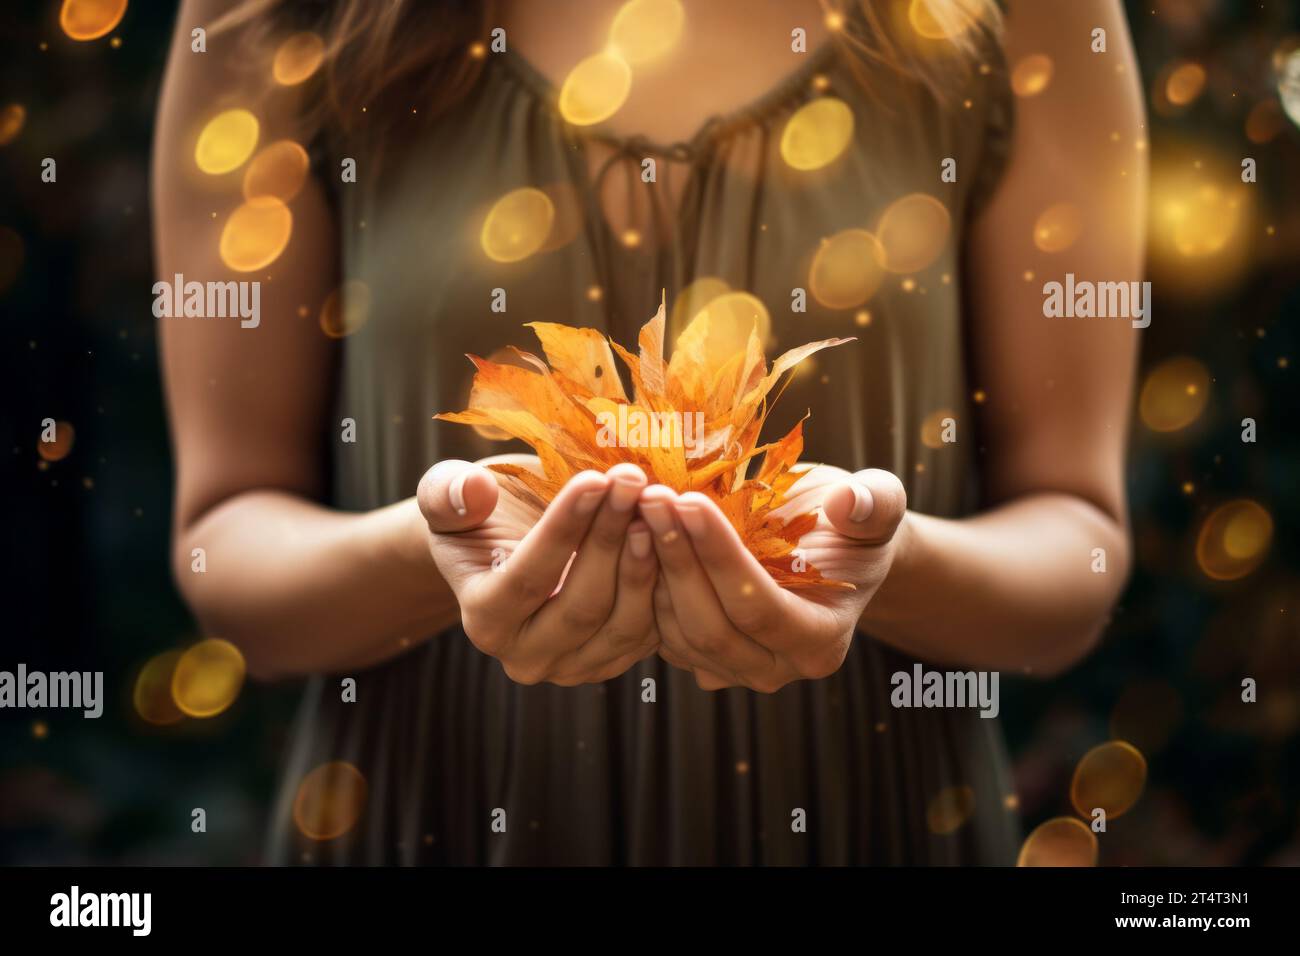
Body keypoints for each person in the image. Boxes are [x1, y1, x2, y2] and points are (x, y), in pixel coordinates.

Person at [153, 0, 1146, 864]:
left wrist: (883, 559)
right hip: (425, 813)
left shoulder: (1021, 11)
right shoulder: (276, 14)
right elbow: (224, 540)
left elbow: (1077, 543)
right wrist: (434, 550)